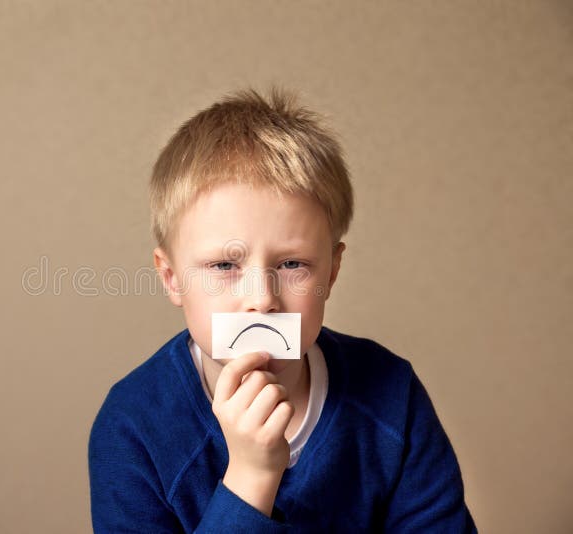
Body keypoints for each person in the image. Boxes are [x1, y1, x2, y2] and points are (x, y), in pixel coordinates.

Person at [88, 86, 477, 532]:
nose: (262, 299)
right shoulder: (132, 428)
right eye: (223, 265)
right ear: (172, 277)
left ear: (331, 273)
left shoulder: (392, 396)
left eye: (292, 264)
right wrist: (251, 479)